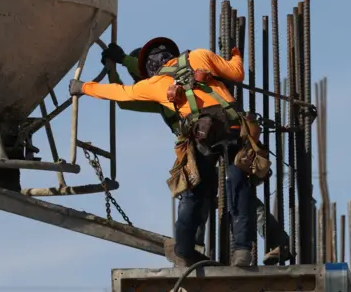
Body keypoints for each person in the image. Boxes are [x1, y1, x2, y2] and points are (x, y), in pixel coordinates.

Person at [70, 36, 255, 266]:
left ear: (150, 67)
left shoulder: (155, 85)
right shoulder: (198, 55)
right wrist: (236, 54)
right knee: (238, 184)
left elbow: (121, 94)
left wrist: (84, 87)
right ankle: (242, 251)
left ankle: (185, 249)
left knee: (194, 192)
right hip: (233, 128)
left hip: (203, 138)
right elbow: (237, 73)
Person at [101, 44, 291, 265]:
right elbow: (123, 99)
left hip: (219, 135)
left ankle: (270, 241)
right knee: (211, 192)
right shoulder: (157, 97)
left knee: (229, 191)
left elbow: (140, 80)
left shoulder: (180, 76)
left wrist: (122, 59)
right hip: (203, 146)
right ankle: (196, 249)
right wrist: (113, 69)